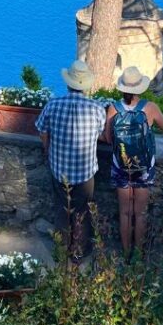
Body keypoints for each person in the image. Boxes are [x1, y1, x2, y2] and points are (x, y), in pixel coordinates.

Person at [35, 59, 106, 262]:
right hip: (85, 172)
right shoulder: (97, 109)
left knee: (61, 209)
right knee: (82, 211)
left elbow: (42, 130)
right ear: (85, 85)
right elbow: (102, 135)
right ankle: (79, 252)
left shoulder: (53, 105)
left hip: (59, 169)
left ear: (68, 83)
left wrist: (47, 150)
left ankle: (61, 249)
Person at [104, 66, 163, 256]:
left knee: (125, 212)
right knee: (140, 213)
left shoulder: (113, 109)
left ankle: (126, 253)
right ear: (139, 88)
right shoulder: (149, 108)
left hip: (120, 166)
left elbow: (109, 139)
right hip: (143, 167)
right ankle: (138, 255)